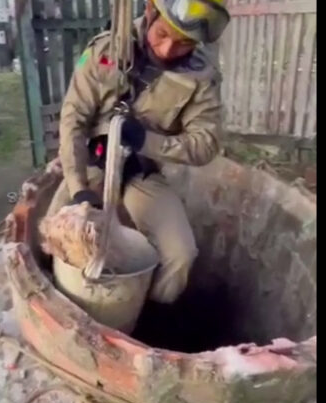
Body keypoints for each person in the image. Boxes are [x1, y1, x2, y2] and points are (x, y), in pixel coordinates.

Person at [51, 0, 230, 304]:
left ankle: (145, 311)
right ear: (150, 11)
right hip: (92, 164)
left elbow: (206, 145)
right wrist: (79, 189)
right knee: (57, 233)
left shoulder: (202, 77)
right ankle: (64, 305)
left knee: (181, 254)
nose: (167, 50)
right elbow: (73, 121)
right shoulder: (104, 52)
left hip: (140, 172)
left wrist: (145, 141)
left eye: (184, 43)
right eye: (162, 33)